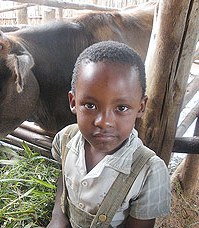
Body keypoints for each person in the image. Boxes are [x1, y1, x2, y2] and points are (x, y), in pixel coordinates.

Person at [47, 41, 171, 228]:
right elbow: (64, 178)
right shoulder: (66, 139)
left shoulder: (149, 172)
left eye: (121, 108)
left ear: (141, 107)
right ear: (73, 102)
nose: (104, 122)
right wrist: (58, 217)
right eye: (90, 105)